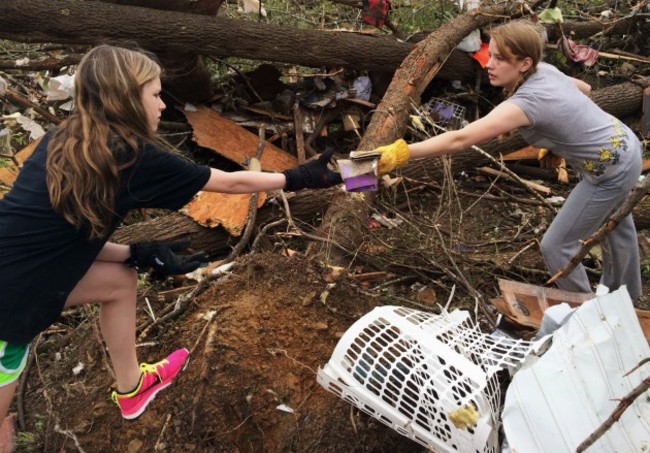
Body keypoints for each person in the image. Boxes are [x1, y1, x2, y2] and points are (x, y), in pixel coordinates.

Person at [0, 44, 341, 425]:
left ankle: (132, 388)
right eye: (157, 95)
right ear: (127, 97)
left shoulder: (63, 139)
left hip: (16, 274)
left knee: (117, 281)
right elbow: (229, 183)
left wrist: (136, 253)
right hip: (10, 306)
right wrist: (299, 177)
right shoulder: (132, 156)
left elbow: (58, 240)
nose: (163, 105)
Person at [374, 20, 642, 300]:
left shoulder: (525, 104)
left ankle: (588, 310)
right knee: (616, 225)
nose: (489, 64)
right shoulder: (546, 71)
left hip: (610, 172)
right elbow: (584, 89)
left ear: (525, 63)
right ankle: (626, 297)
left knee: (555, 245)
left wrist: (403, 152)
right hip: (626, 145)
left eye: (500, 59)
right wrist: (559, 131)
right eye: (491, 54)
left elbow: (460, 139)